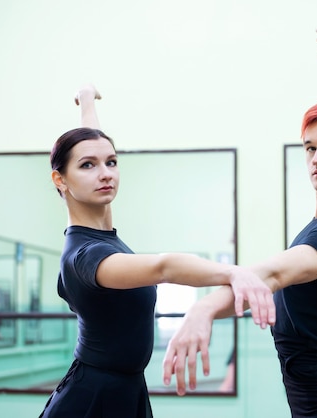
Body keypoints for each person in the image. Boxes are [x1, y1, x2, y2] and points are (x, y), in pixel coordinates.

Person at [162, 29, 317, 418]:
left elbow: (271, 275)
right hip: (313, 400)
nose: (316, 157)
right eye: (310, 148)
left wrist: (204, 309)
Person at [38, 87, 275, 418]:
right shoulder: (85, 256)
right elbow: (165, 267)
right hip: (92, 400)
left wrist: (87, 104)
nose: (105, 172)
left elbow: (88, 141)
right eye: (88, 165)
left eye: (112, 162)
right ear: (60, 180)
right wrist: (233, 272)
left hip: (126, 390)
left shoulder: (102, 234)